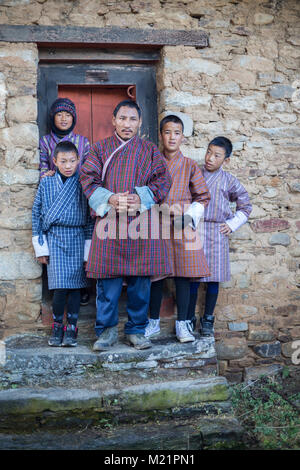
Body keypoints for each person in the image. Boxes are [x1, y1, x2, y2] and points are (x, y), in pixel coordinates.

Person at [80, 100, 172, 351]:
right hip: (109, 223)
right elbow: (87, 179)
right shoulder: (99, 149)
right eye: (122, 118)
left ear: (140, 122)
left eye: (133, 119)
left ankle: (136, 331)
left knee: (140, 284)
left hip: (141, 224)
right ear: (114, 120)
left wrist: (140, 197)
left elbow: (163, 181)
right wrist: (109, 198)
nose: (127, 124)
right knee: (107, 284)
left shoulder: (150, 151)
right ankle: (107, 332)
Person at [144, 115, 211, 343]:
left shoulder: (190, 165)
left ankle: (183, 324)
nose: (172, 137)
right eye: (167, 132)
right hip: (156, 222)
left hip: (182, 224)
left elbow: (202, 196)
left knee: (183, 276)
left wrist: (188, 217)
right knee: (155, 276)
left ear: (183, 137)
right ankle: (152, 323)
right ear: (161, 135)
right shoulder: (151, 162)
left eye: (177, 133)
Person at [187, 136, 252, 337]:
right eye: (209, 152)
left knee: (213, 279)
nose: (210, 158)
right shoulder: (194, 173)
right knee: (192, 278)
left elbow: (246, 207)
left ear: (226, 160)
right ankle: (188, 317)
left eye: (217, 155)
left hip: (217, 232)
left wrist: (231, 225)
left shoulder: (229, 181)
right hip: (194, 230)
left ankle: (208, 318)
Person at [32, 141, 94, 347]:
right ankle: (58, 325)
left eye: (72, 161)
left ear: (78, 161)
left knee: (75, 288)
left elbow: (89, 220)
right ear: (55, 162)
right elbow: (36, 215)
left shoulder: (83, 183)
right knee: (59, 288)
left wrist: (88, 252)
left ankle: (72, 327)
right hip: (55, 238)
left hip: (77, 237)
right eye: (63, 161)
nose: (68, 165)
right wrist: (41, 246)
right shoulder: (46, 182)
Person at [39, 97, 91, 306]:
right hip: (55, 194)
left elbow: (88, 169)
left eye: (67, 115)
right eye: (59, 114)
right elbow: (42, 165)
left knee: (80, 250)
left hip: (78, 195)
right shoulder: (45, 142)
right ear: (53, 117)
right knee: (56, 255)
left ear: (73, 118)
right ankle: (58, 288)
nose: (63, 118)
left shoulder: (83, 142)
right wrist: (48, 174)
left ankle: (82, 286)